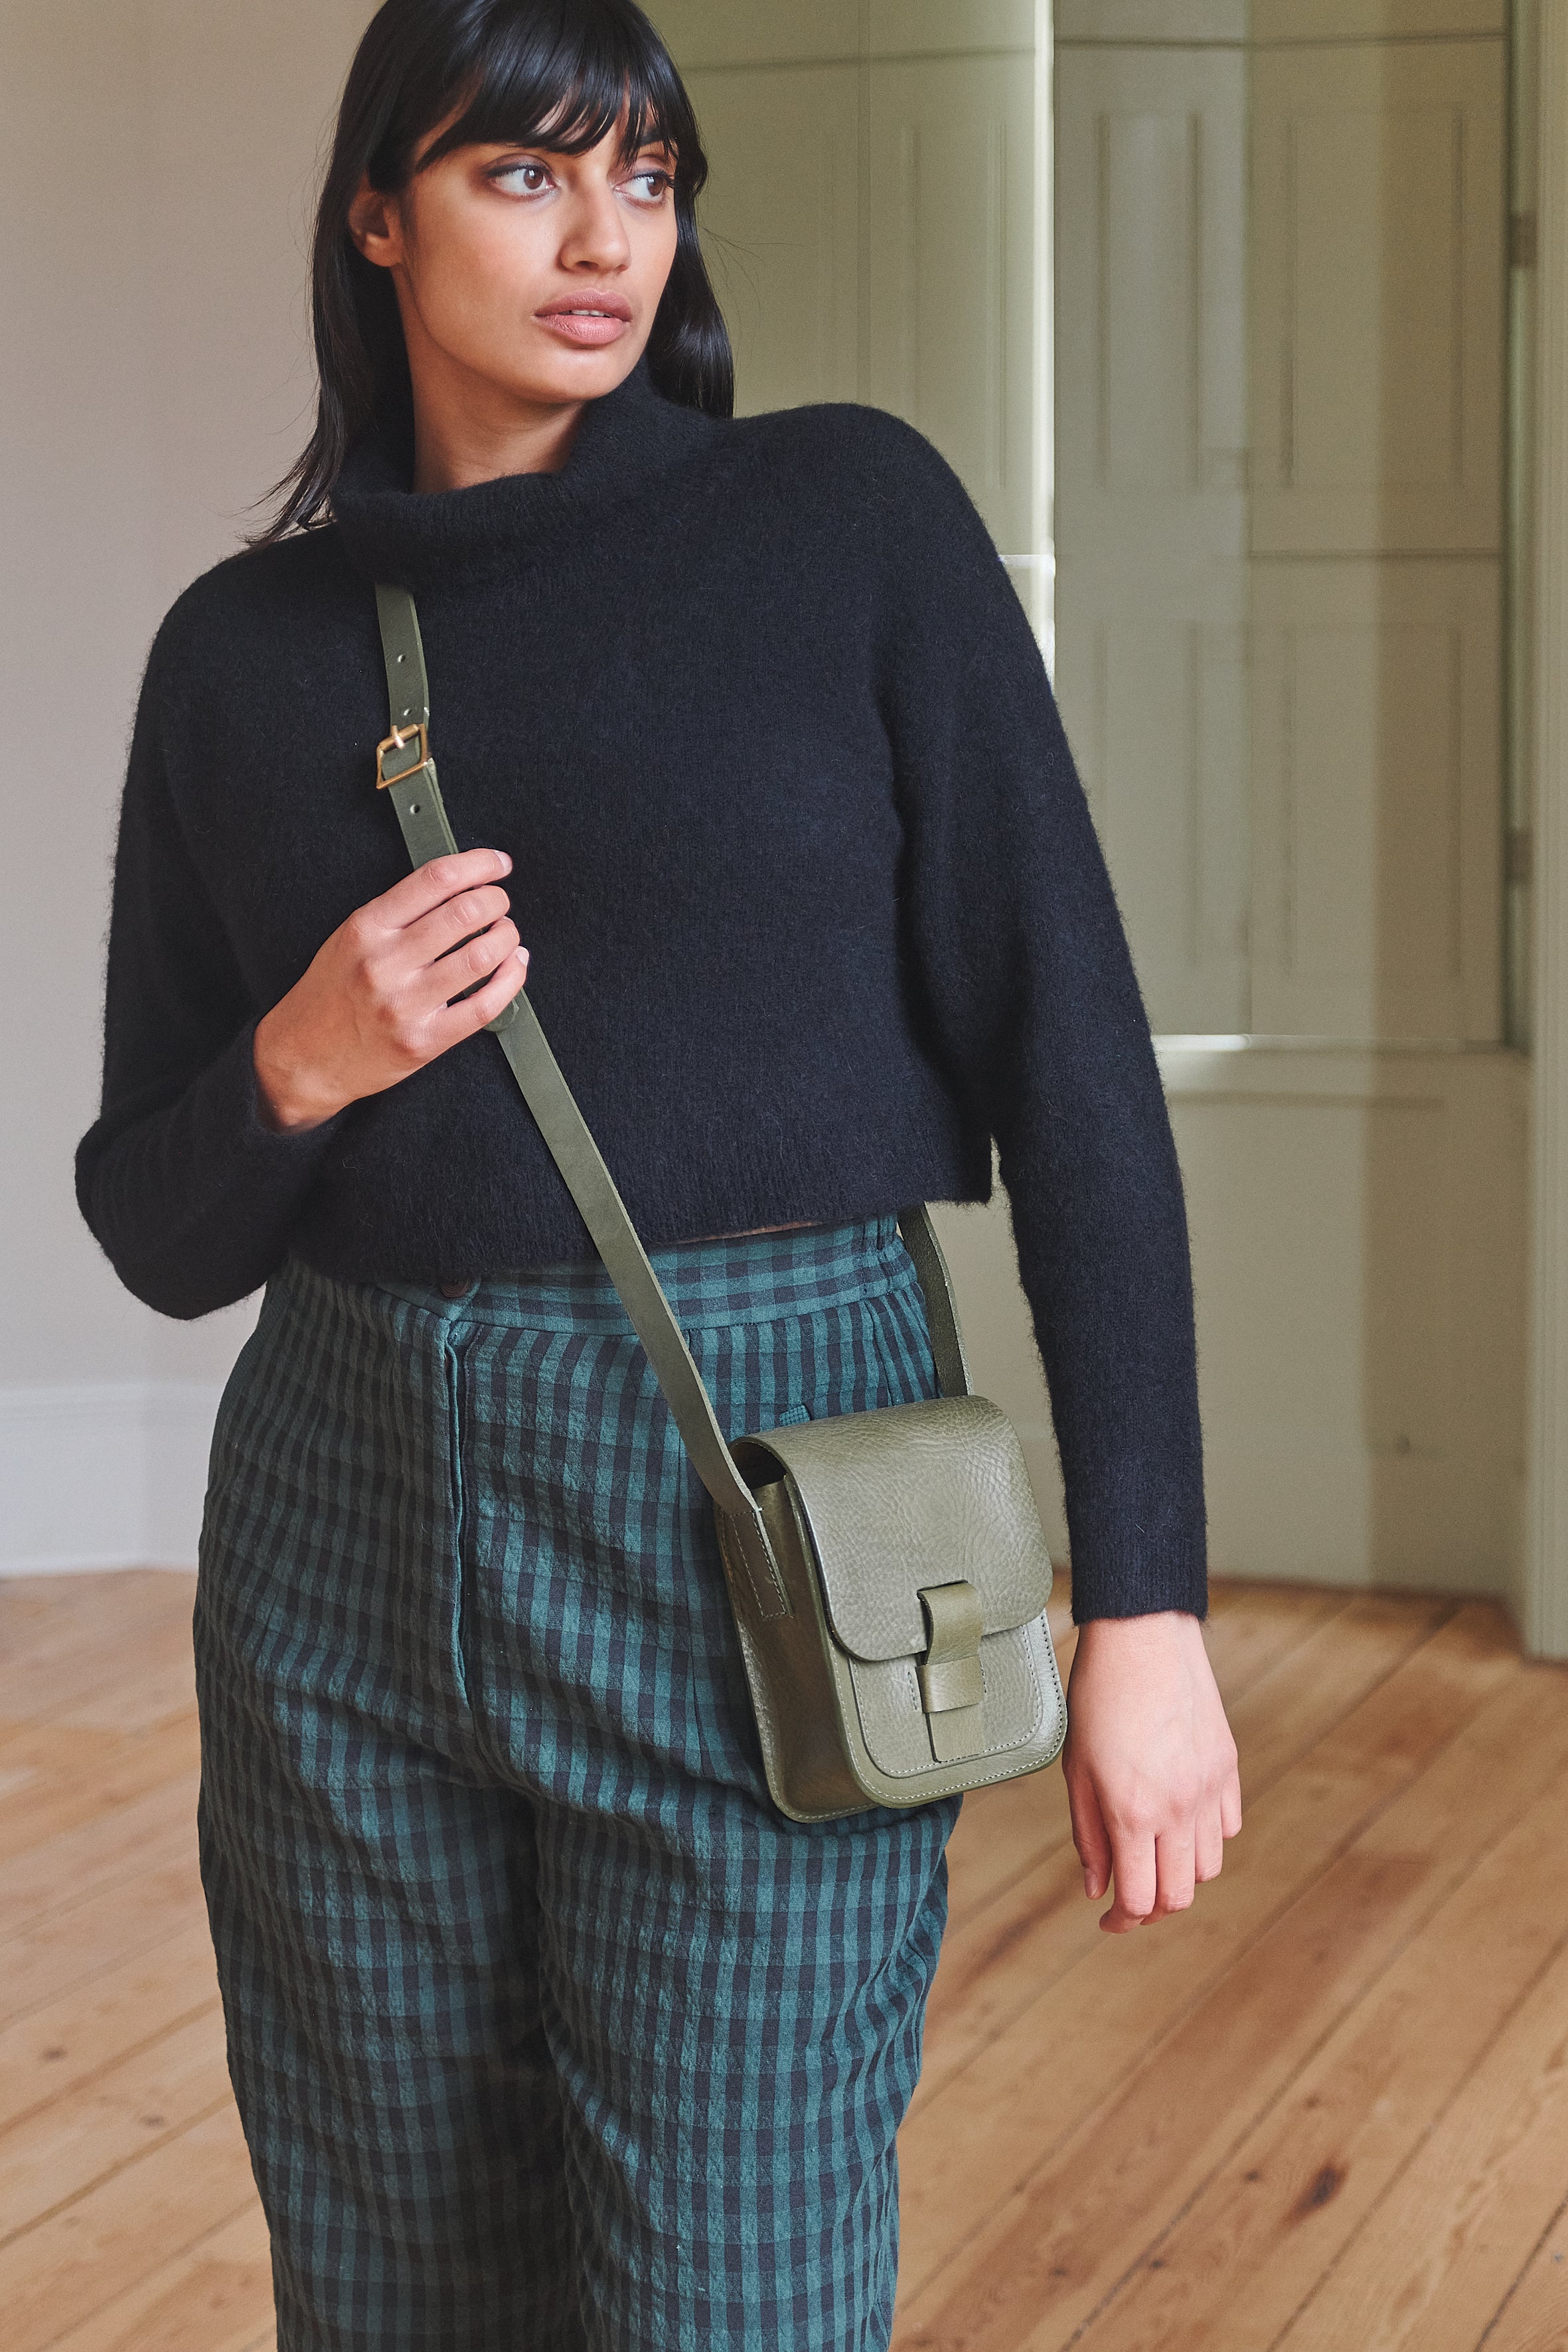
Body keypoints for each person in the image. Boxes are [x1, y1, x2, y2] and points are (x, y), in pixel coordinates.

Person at [75, 1, 1241, 2345]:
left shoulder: (842, 522)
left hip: (769, 1483)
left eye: (647, 175)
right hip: (340, 1527)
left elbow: (1073, 1066)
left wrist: (1150, 1606)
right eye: (523, 174)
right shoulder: (241, 656)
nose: (603, 236)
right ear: (379, 214)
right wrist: (301, 1062)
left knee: (738, 2282)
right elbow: (157, 1234)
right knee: (395, 2282)